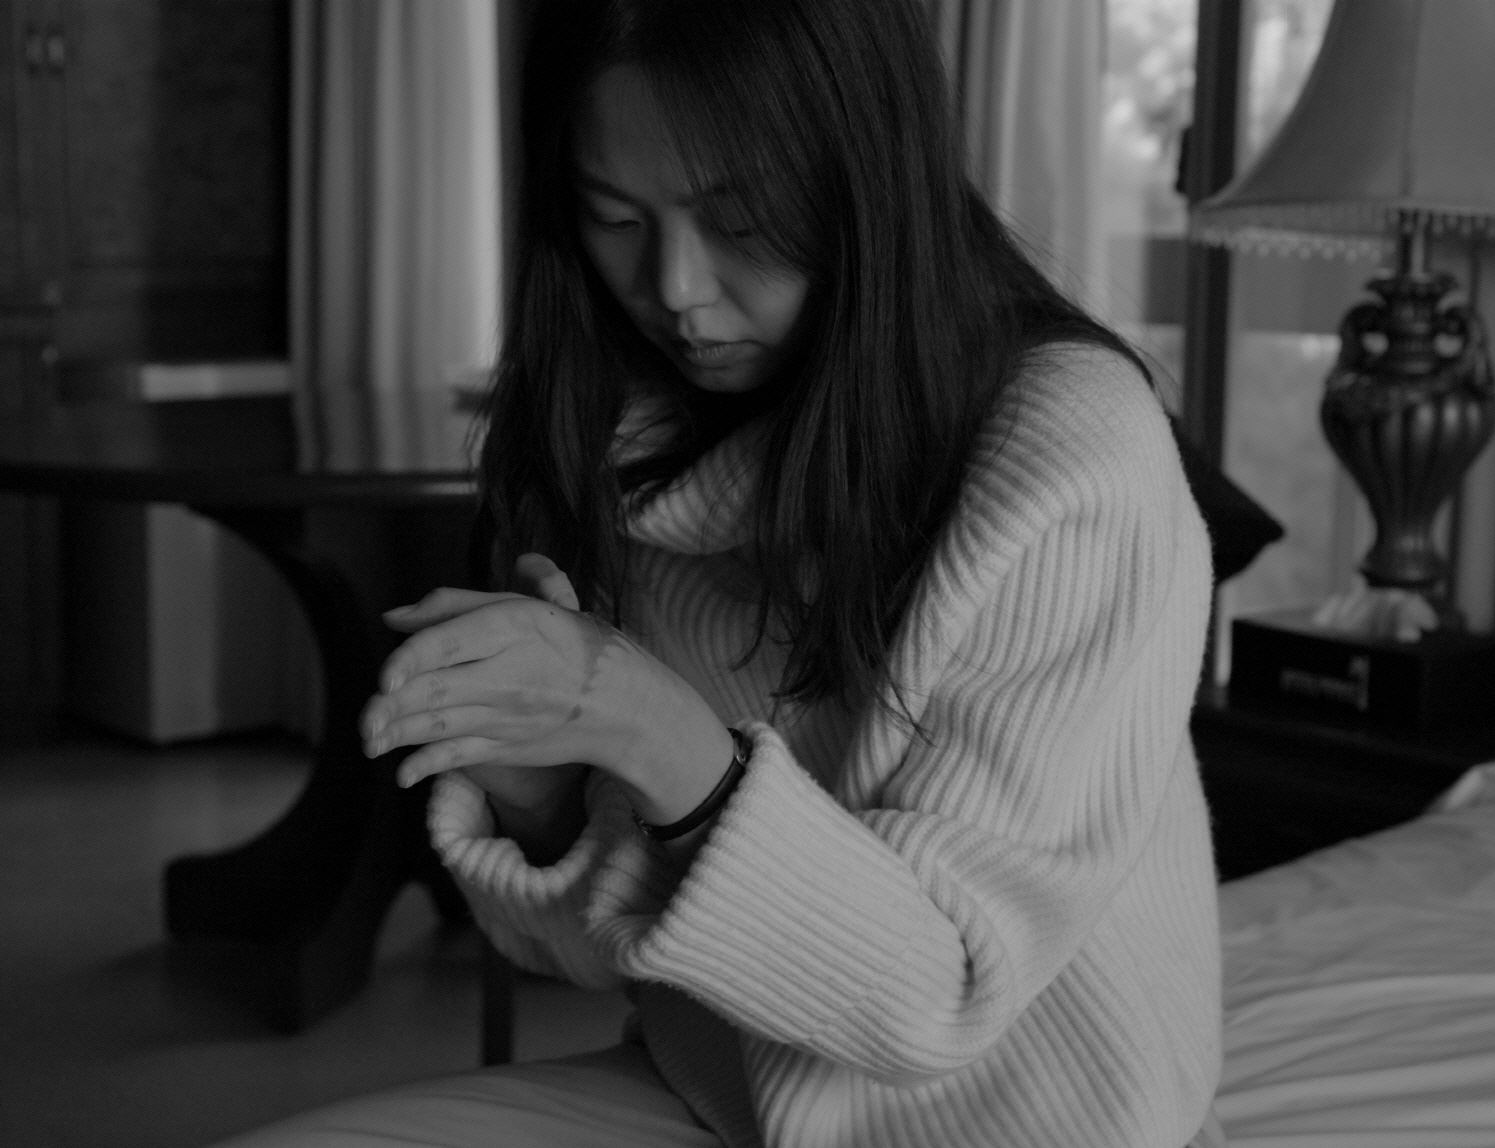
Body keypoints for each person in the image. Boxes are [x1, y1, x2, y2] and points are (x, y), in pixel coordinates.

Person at [215, 0, 1222, 1144]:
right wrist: (545, 795)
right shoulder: (618, 428)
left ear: (869, 178)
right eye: (613, 215)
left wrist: (652, 731)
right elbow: (600, 955)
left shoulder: (1073, 453)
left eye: (739, 220)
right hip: (724, 1096)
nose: (677, 289)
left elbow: (939, 989)